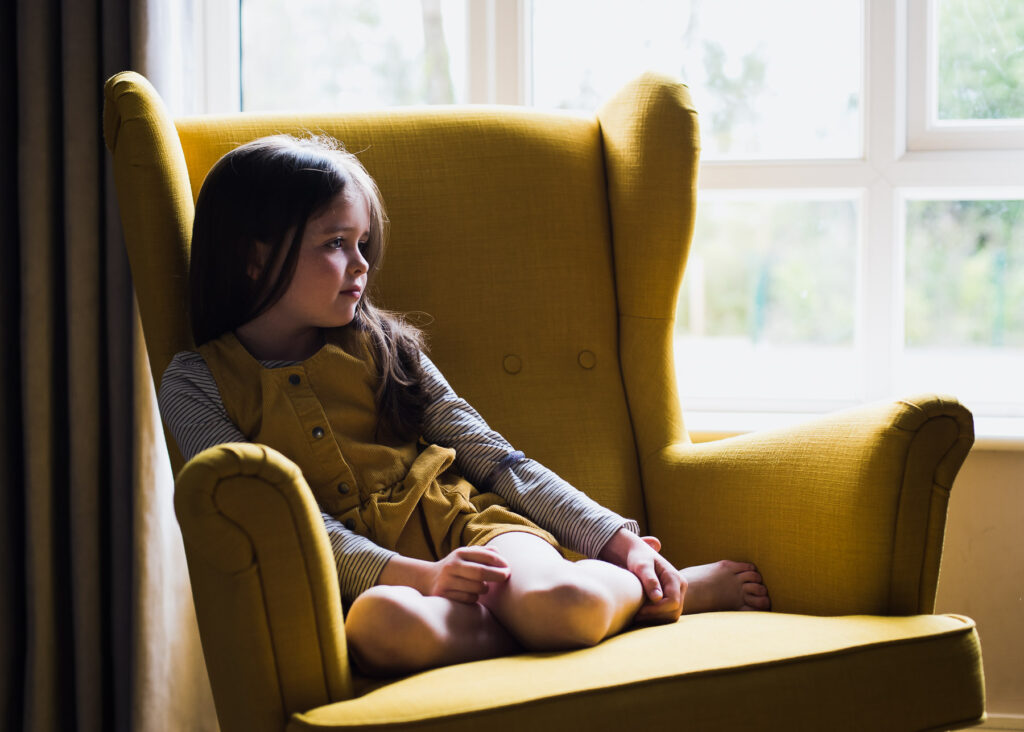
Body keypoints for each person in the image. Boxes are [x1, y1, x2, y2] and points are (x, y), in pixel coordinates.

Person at [159, 134, 770, 676]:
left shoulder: (383, 346)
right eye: (336, 243)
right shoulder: (195, 383)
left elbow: (497, 460)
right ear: (255, 256)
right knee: (378, 627)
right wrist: (420, 577)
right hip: (377, 579)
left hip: (469, 526)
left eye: (363, 242)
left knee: (562, 604)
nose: (362, 264)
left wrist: (618, 541)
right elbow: (294, 525)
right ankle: (527, 622)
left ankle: (662, 588)